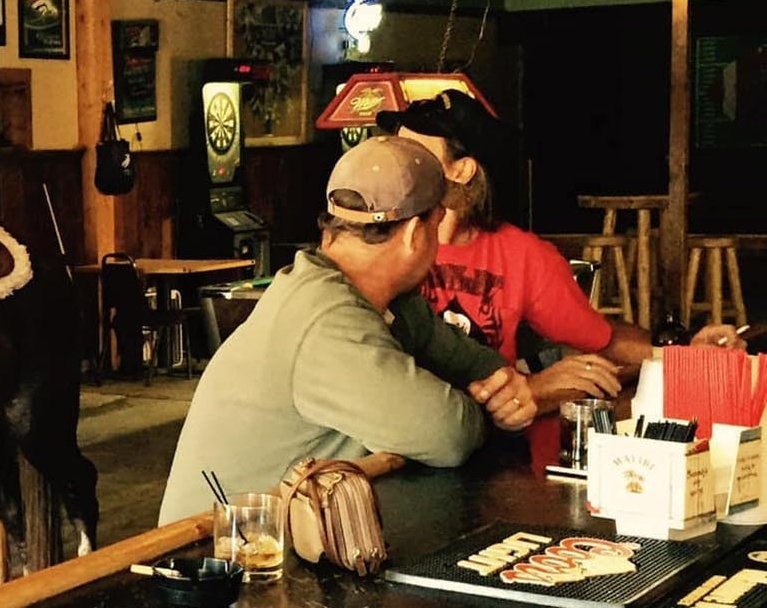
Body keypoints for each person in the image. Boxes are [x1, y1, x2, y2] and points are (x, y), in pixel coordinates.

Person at [158, 136, 536, 523]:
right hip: (216, 559)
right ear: (412, 235)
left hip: (295, 539)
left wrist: (503, 387)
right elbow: (446, 434)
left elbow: (478, 365)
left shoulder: (392, 302)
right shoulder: (323, 316)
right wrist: (488, 408)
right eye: (438, 222)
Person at [377, 89, 743, 409]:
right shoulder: (375, 247)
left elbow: (603, 337)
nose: (400, 161)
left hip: (490, 437)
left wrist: (687, 355)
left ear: (462, 170)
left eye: (416, 152)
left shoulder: (521, 255)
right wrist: (537, 386)